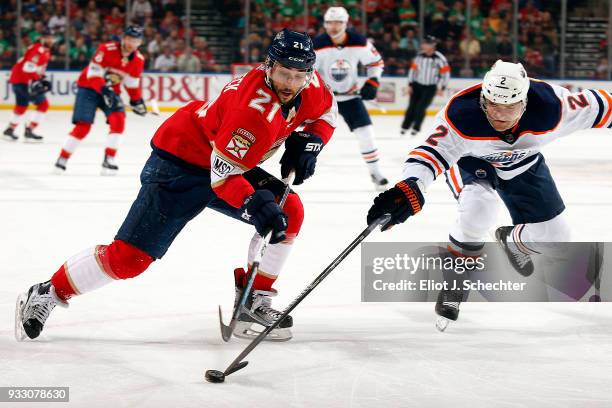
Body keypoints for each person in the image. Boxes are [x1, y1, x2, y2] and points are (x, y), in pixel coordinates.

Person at [15, 29, 337, 343]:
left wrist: (314, 140)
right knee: (129, 260)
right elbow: (222, 178)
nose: (291, 84)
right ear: (269, 67)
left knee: (289, 209)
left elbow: (327, 110)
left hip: (226, 161)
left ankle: (254, 299)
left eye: (299, 76)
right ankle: (48, 291)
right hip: (180, 164)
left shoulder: (309, 84)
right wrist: (254, 203)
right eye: (284, 75)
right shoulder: (249, 114)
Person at [367, 60, 611, 328]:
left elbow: (603, 106)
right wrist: (411, 185)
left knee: (558, 239)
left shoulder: (553, 106)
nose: (499, 115)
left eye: (510, 107)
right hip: (472, 162)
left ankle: (513, 241)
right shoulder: (461, 114)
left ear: (525, 102)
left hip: (522, 162)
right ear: (483, 98)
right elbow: (431, 152)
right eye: (493, 105)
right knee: (478, 210)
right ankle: (455, 282)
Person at [54, 25, 148, 174]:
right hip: (89, 88)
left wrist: (137, 101)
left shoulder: (138, 60)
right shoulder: (107, 49)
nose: (131, 44)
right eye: (129, 39)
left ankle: (109, 160)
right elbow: (93, 74)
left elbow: (131, 83)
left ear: (140, 43)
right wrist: (104, 90)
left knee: (119, 121)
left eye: (135, 41)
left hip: (111, 92)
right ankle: (62, 158)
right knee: (83, 126)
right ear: (123, 38)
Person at [313, 6, 388, 189]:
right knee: (306, 137)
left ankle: (375, 172)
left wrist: (373, 81)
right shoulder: (316, 45)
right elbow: (307, 72)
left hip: (350, 98)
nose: (334, 26)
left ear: (346, 23)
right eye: (330, 22)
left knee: (367, 135)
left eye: (338, 22)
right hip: (324, 100)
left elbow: (376, 62)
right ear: (325, 24)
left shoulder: (360, 42)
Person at [3, 29, 54, 142]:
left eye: (51, 38)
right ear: (42, 38)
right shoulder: (38, 50)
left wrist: (41, 78)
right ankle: (29, 130)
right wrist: (37, 80)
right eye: (48, 37)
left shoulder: (45, 51)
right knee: (43, 104)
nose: (50, 40)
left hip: (21, 80)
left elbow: (38, 69)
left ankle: (10, 130)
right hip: (22, 80)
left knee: (22, 106)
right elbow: (28, 68)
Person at [400, 35, 450, 137]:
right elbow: (412, 71)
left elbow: (445, 74)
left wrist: (442, 87)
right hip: (416, 85)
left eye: (426, 43)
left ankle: (416, 128)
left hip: (430, 87)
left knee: (421, 108)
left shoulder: (440, 59)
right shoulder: (419, 57)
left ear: (433, 45)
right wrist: (410, 84)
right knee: (412, 107)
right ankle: (405, 127)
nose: (423, 45)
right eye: (423, 43)